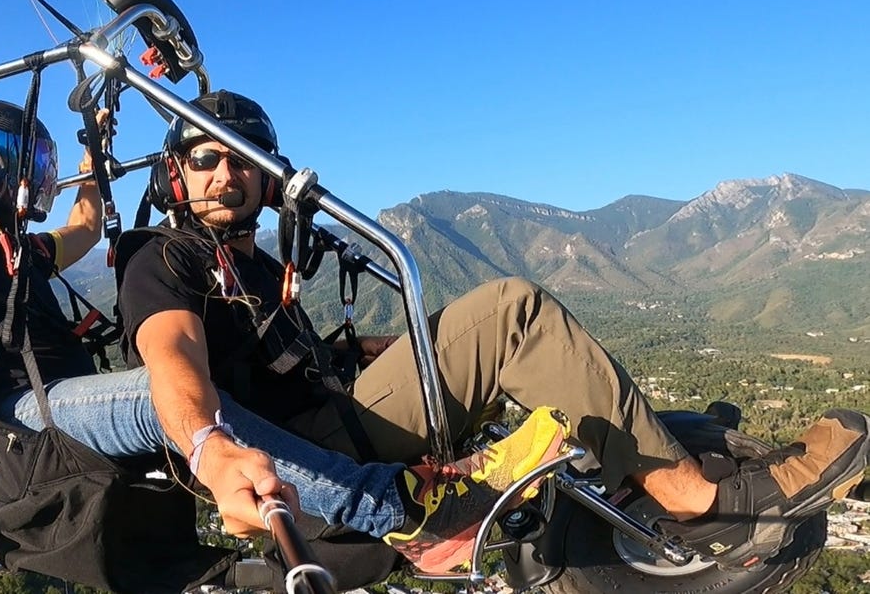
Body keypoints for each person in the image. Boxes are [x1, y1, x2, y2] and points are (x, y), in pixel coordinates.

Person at [0, 65, 568, 580]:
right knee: (170, 388)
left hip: (57, 394)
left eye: (40, 165)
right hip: (6, 417)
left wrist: (95, 136)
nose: (35, 180)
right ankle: (400, 508)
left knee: (175, 387)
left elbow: (87, 225)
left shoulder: (16, 249)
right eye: (18, 158)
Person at [116, 88, 870, 573]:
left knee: (471, 334)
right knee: (511, 314)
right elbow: (171, 361)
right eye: (204, 156)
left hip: (328, 419)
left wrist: (409, 344)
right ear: (175, 175)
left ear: (268, 178)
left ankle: (670, 454)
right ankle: (695, 496)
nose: (224, 172)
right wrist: (211, 448)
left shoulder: (258, 270)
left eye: (240, 160)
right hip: (304, 457)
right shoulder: (165, 260)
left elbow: (298, 363)